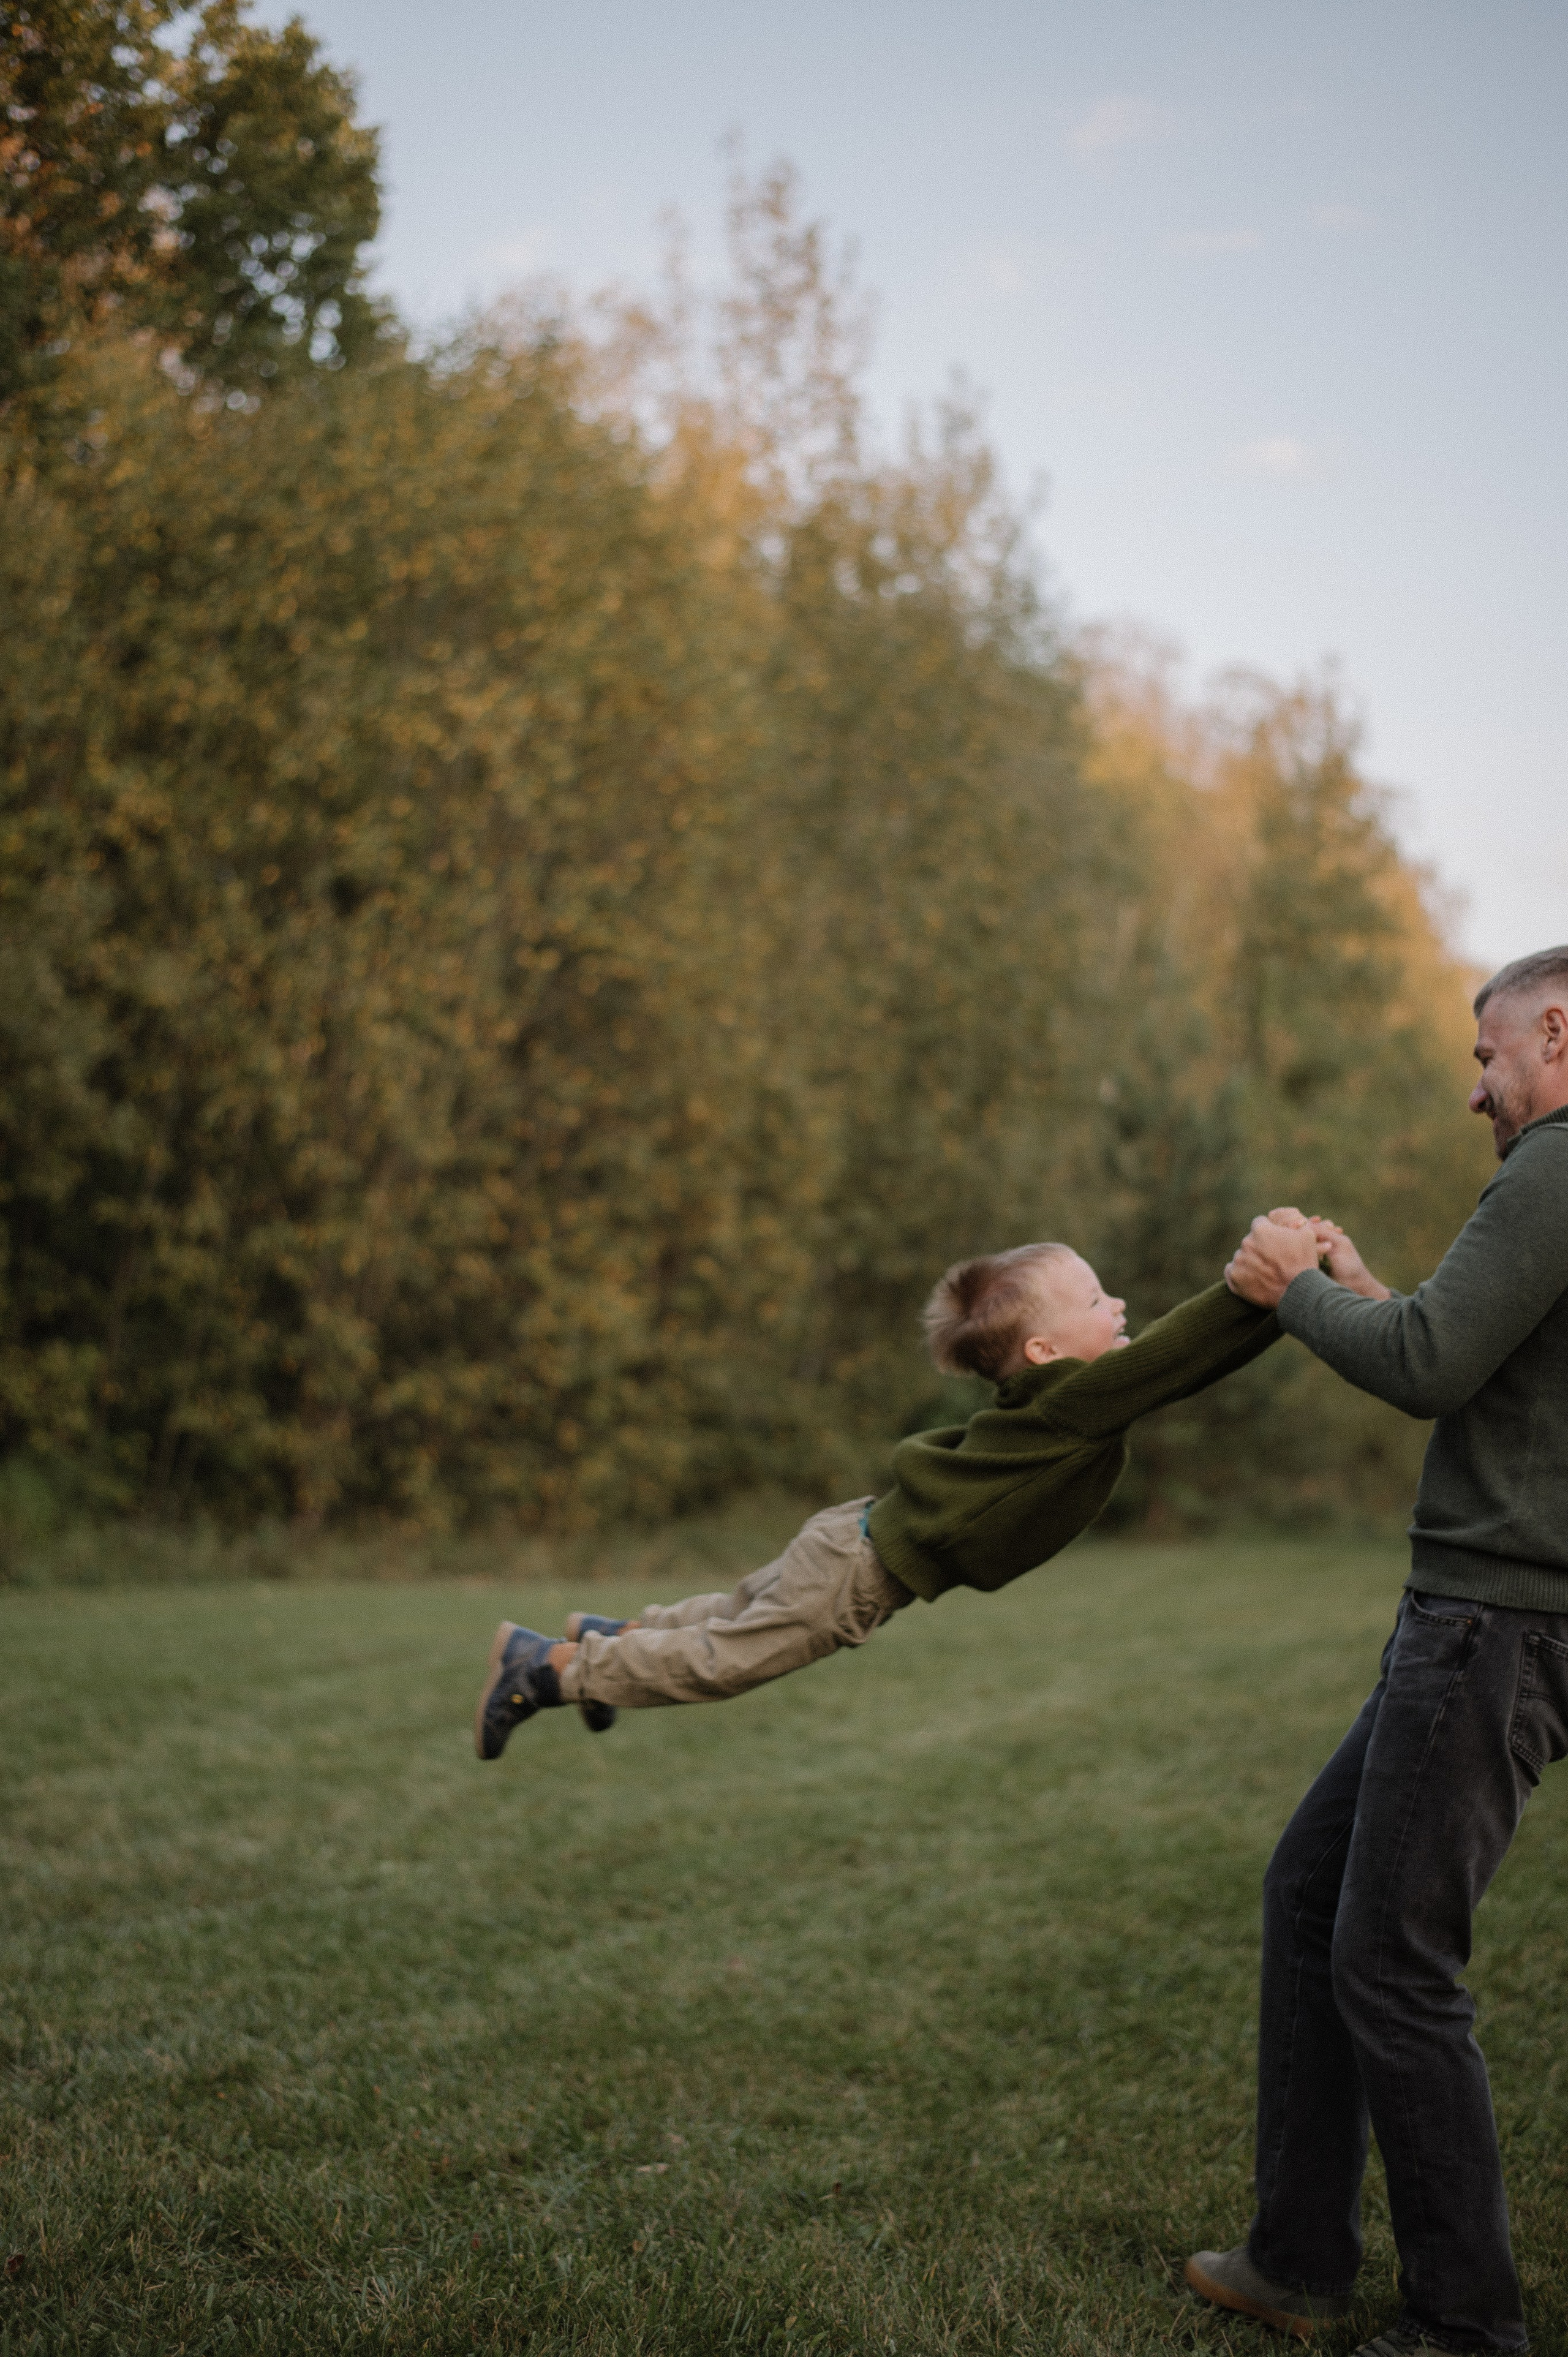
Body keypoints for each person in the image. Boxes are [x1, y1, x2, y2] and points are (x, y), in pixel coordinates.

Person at [1187, 946, 1568, 2357]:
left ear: (1553, 1026)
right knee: (1309, 1890)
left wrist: (1291, 1285)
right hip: (1509, 1614)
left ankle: (1465, 2324)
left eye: (1485, 1057)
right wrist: (1355, 1282)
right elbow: (1464, 1343)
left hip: (1492, 1621)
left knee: (1394, 1960)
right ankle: (1296, 2254)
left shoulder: (1555, 1163)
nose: (1476, 1087)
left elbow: (1422, 1368)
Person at [474, 1240, 1283, 1758]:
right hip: (853, 1575)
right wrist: (1267, 1295)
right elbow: (1181, 1356)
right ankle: (550, 1669)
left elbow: (1170, 1362)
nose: (1121, 1309)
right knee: (727, 1660)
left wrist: (1287, 1299)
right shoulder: (1077, 1399)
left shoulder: (1057, 1407)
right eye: (1099, 1301)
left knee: (729, 1612)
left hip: (852, 1533)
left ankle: (609, 1638)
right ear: (1043, 1350)